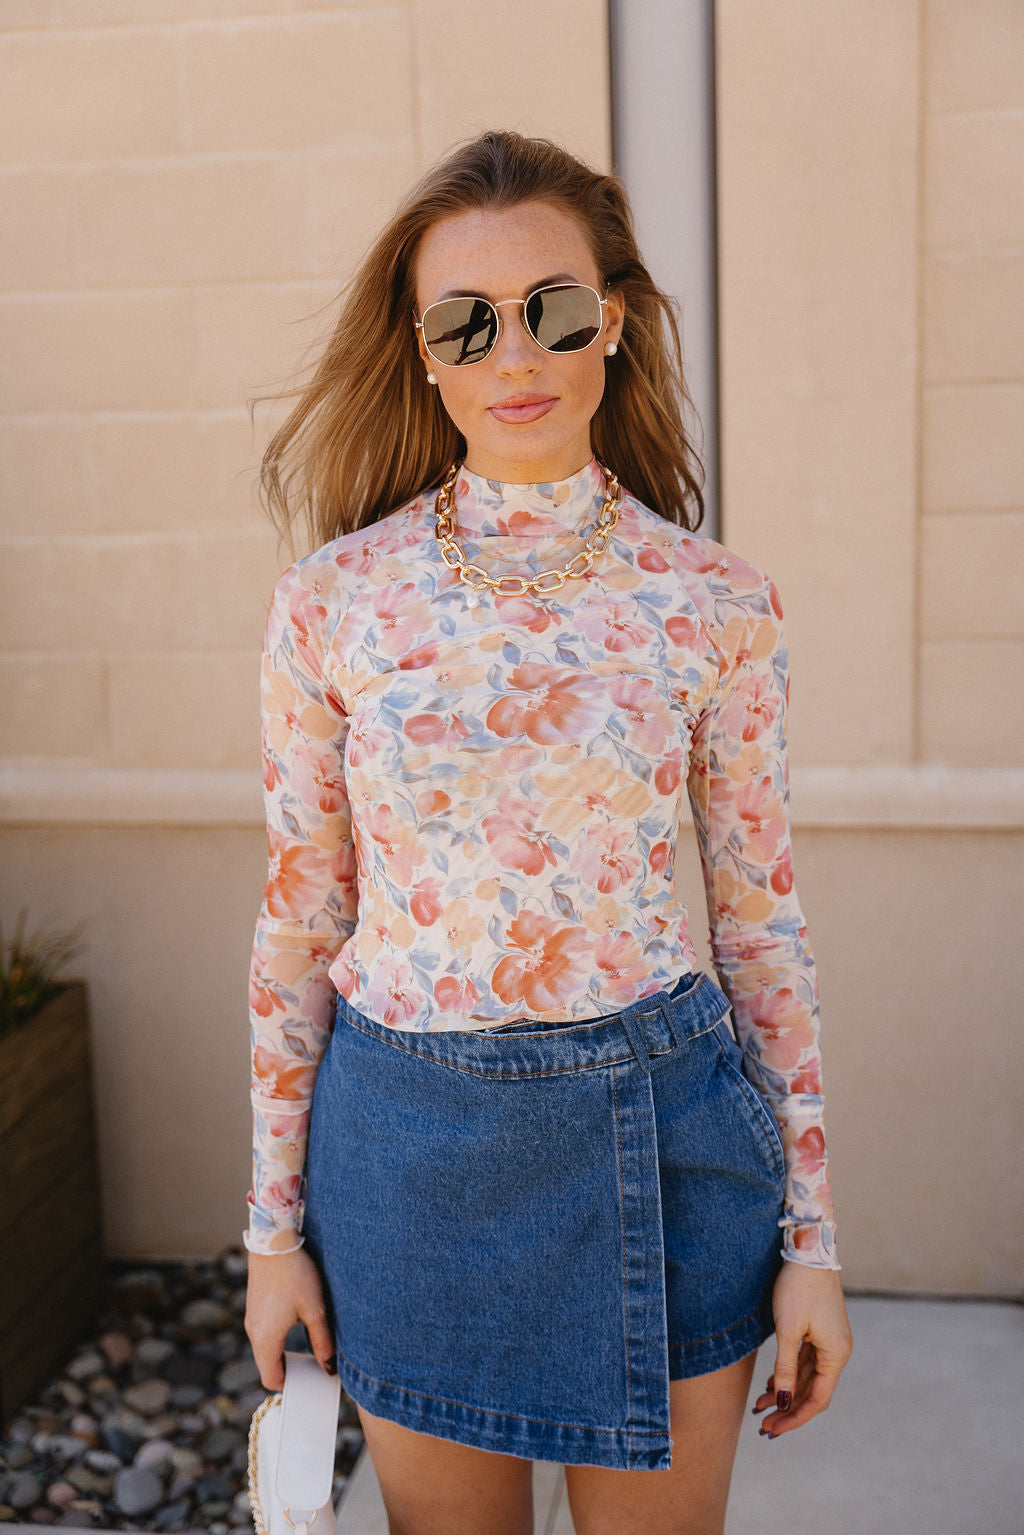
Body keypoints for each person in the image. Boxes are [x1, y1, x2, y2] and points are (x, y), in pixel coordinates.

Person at [243, 128, 853, 1535]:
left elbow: (761, 922)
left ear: (615, 323)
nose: (514, 354)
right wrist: (272, 1229)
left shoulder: (716, 602)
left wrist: (814, 1242)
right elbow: (300, 923)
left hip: (665, 1132)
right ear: (425, 354)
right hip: (410, 1160)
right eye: (466, 322)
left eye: (553, 311)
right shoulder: (333, 604)